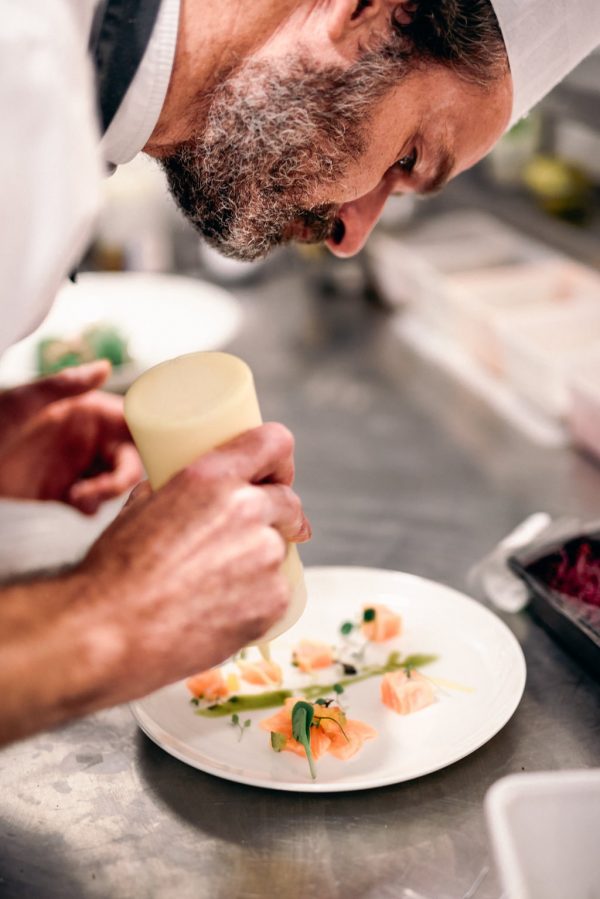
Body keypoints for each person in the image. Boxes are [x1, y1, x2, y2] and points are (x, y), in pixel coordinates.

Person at [1, 0, 598, 745]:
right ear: (368, 11)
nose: (352, 238)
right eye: (408, 158)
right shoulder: (18, 79)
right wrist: (109, 616)